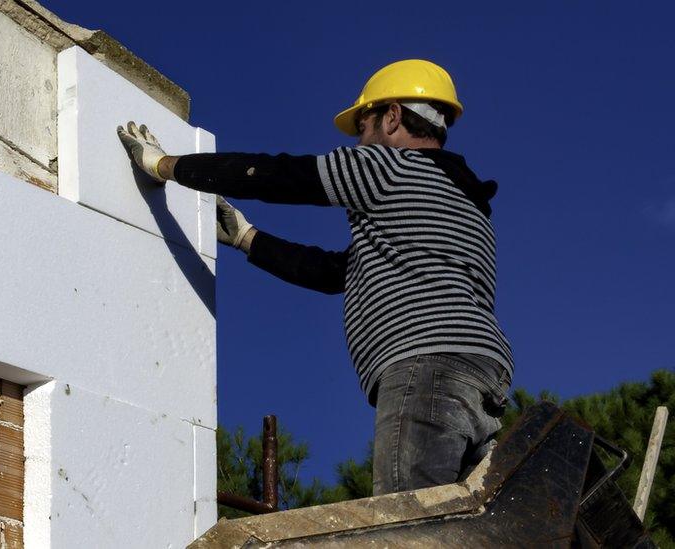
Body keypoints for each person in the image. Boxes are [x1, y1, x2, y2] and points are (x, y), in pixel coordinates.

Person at [118, 59, 513, 496]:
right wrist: (247, 237)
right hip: (481, 379)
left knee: (407, 523)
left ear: (393, 116)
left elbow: (280, 176)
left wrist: (165, 165)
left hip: (424, 368)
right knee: (460, 526)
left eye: (363, 128)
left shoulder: (388, 168)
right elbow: (336, 272)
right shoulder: (468, 206)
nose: (359, 143)